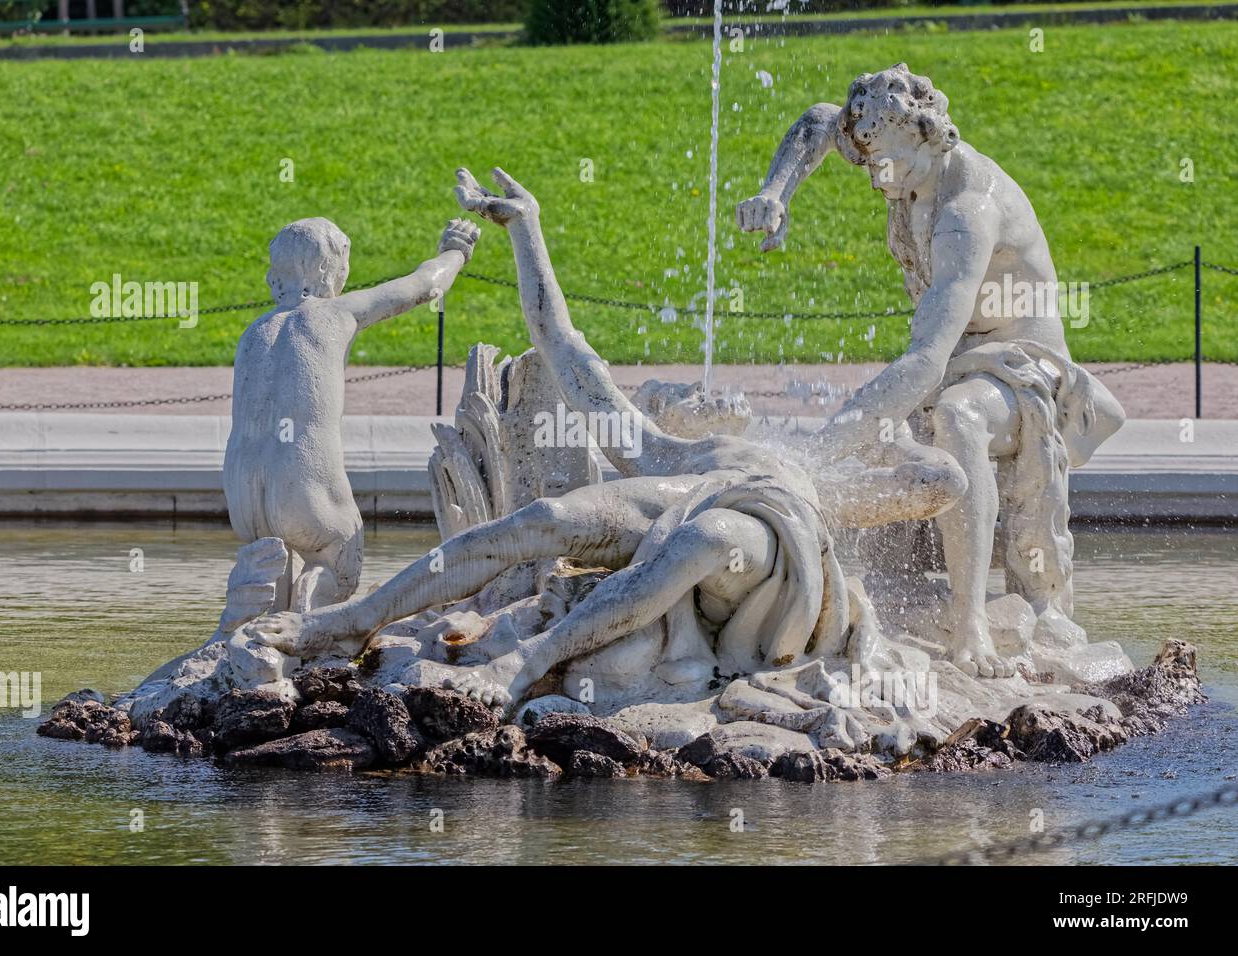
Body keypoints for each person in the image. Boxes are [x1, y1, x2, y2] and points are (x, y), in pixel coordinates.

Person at [245, 170, 965, 710]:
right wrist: (527, 228)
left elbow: (942, 484)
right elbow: (561, 344)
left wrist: (907, 444)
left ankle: (522, 667)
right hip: (687, 498)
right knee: (545, 520)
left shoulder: (818, 454)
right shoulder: (660, 452)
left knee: (708, 539)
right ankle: (350, 621)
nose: (708, 399)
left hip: (768, 524)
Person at [737, 64, 1125, 676]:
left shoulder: (967, 211)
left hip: (1021, 367)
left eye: (890, 167)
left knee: (955, 416)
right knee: (884, 426)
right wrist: (775, 193)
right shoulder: (890, 146)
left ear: (928, 136)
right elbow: (818, 122)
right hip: (954, 358)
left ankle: (972, 622)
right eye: (871, 168)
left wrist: (819, 451)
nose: (880, 181)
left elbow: (925, 360)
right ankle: (855, 605)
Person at [224, 214, 479, 613]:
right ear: (327, 269)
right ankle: (308, 628)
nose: (347, 273)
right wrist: (455, 251)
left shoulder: (254, 333)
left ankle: (259, 616)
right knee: (340, 557)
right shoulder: (334, 314)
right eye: (344, 264)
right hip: (305, 495)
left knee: (274, 560)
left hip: (242, 498)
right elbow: (422, 287)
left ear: (275, 276)